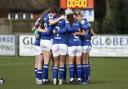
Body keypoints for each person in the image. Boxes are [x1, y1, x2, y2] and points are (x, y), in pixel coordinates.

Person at [74, 10, 96, 84]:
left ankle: (84, 80)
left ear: (79, 16)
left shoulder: (81, 23)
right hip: (88, 44)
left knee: (83, 62)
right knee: (86, 62)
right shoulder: (87, 22)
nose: (76, 18)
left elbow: (83, 33)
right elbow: (93, 34)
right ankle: (88, 77)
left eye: (76, 16)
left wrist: (77, 33)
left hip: (83, 44)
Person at [51, 8, 67, 85]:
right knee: (62, 63)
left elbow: (50, 24)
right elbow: (66, 29)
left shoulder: (54, 20)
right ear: (63, 14)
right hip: (62, 43)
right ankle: (60, 80)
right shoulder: (65, 20)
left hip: (55, 43)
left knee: (55, 63)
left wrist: (56, 31)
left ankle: (54, 80)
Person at [65, 10, 82, 83]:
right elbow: (83, 27)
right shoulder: (78, 23)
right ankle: (79, 79)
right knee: (78, 63)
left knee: (71, 63)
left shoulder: (67, 24)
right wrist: (77, 31)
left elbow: (68, 29)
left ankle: (72, 79)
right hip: (79, 44)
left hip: (71, 45)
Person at [32, 18, 44, 85]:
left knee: (36, 62)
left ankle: (37, 78)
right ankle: (39, 80)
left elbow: (32, 29)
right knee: (40, 62)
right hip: (39, 45)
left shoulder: (36, 26)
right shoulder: (41, 27)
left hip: (35, 44)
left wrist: (37, 22)